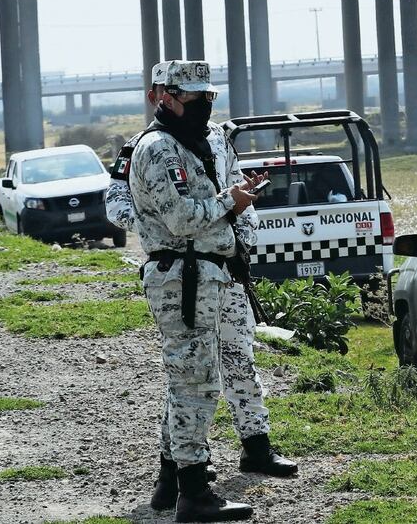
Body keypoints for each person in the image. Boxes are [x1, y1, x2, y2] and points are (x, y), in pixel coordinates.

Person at [123, 61, 295, 522]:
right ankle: (194, 494)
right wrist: (229, 202)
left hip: (208, 273)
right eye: (196, 100)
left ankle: (172, 485)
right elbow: (180, 219)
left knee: (192, 380)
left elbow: (217, 196)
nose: (204, 107)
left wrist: (239, 209)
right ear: (167, 99)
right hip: (183, 277)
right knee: (195, 384)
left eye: (208, 99)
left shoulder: (201, 140)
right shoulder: (157, 149)